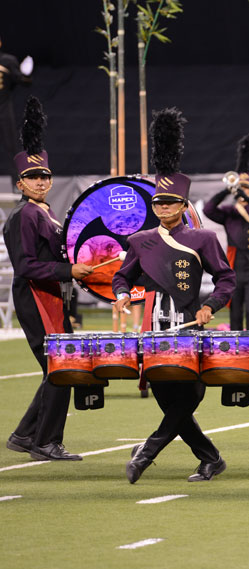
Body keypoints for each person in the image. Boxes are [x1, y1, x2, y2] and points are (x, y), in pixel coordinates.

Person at [114, 108, 236, 484]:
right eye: (158, 204)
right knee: (171, 401)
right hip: (153, 330)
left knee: (190, 396)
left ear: (184, 206)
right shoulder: (140, 240)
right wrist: (120, 294)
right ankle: (211, 458)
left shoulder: (203, 238)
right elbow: (122, 276)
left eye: (171, 203)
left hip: (189, 331)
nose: (164, 208)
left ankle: (147, 453)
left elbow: (226, 279)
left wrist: (208, 306)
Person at [3, 97, 92, 461]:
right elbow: (25, 265)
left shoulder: (47, 213)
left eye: (45, 176)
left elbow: (58, 253)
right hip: (35, 295)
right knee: (61, 367)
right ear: (21, 183)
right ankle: (45, 441)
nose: (40, 181)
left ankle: (26, 435)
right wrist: (67, 270)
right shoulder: (24, 216)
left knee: (60, 365)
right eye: (32, 177)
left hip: (51, 296)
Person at [203, 134, 249, 331]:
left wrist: (246, 198)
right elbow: (208, 209)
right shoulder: (230, 213)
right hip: (235, 265)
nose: (243, 193)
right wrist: (227, 190)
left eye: (247, 189)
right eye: (241, 189)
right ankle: (236, 346)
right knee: (235, 310)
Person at [0, 36, 33, 185]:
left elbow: (23, 81)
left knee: (11, 146)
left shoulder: (7, 61)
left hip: (3, 109)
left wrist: (25, 73)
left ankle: (17, 183)